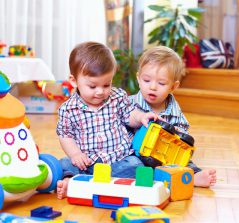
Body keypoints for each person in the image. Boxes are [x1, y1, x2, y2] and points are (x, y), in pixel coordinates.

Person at [56, 42, 157, 199]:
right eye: (92, 86)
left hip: (118, 161)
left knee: (136, 165)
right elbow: (65, 135)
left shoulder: (117, 97)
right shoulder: (68, 109)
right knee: (64, 164)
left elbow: (130, 114)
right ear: (74, 81)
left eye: (106, 84)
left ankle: (86, 185)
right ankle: (75, 181)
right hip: (87, 163)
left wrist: (141, 117)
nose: (100, 91)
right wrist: (75, 154)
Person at [130, 46, 216, 187]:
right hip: (138, 155)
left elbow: (183, 133)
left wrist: (175, 133)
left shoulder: (174, 110)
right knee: (132, 164)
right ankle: (158, 178)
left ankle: (193, 177)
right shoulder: (130, 104)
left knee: (185, 163)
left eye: (161, 83)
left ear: (173, 87)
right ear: (138, 78)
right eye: (146, 81)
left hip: (165, 156)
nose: (152, 87)